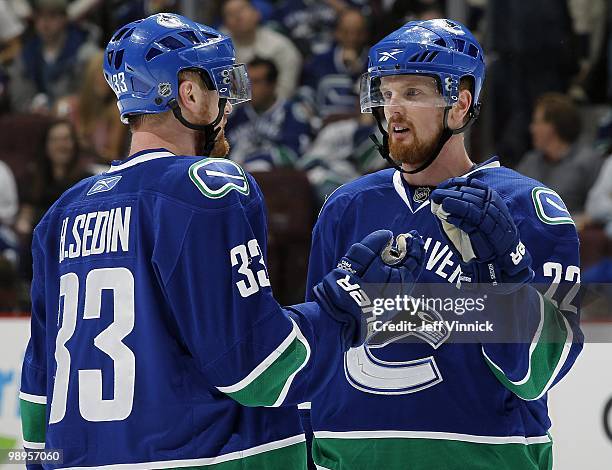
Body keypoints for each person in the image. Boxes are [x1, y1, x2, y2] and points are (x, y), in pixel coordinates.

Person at [18, 13, 425, 469]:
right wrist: (346, 305)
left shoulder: (61, 213)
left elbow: (36, 407)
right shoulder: (207, 185)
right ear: (189, 94)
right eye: (219, 87)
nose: (228, 107)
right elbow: (260, 371)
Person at [304, 19, 583, 469]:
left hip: (484, 458)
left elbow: (541, 372)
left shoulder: (529, 206)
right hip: (352, 457)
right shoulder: (346, 207)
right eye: (387, 92)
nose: (393, 109)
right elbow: (319, 352)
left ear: (460, 105)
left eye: (413, 93)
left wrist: (504, 283)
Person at [516, 92, 602, 215]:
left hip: (572, 230)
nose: (532, 128)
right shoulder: (530, 161)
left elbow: (597, 209)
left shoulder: (588, 162)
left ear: (552, 127)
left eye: (536, 122)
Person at [224, 57, 315, 170]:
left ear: (273, 85)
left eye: (256, 82)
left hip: (275, 179)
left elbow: (294, 154)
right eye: (245, 81)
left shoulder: (293, 113)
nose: (248, 88)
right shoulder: (233, 113)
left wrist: (255, 161)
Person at [221, 0, 302, 99]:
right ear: (225, 23)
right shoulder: (219, 50)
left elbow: (284, 93)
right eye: (230, 14)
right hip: (235, 110)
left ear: (257, 14)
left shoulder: (281, 47)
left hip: (274, 108)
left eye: (242, 10)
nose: (238, 17)